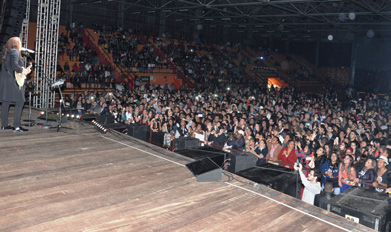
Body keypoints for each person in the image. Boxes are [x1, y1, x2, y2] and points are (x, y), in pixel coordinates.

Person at [0, 37, 31, 132]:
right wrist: (24, 70)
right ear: (17, 43)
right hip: (11, 81)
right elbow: (14, 66)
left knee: (6, 102)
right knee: (20, 101)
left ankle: (5, 125)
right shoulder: (14, 52)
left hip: (5, 81)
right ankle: (17, 126)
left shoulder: (8, 52)